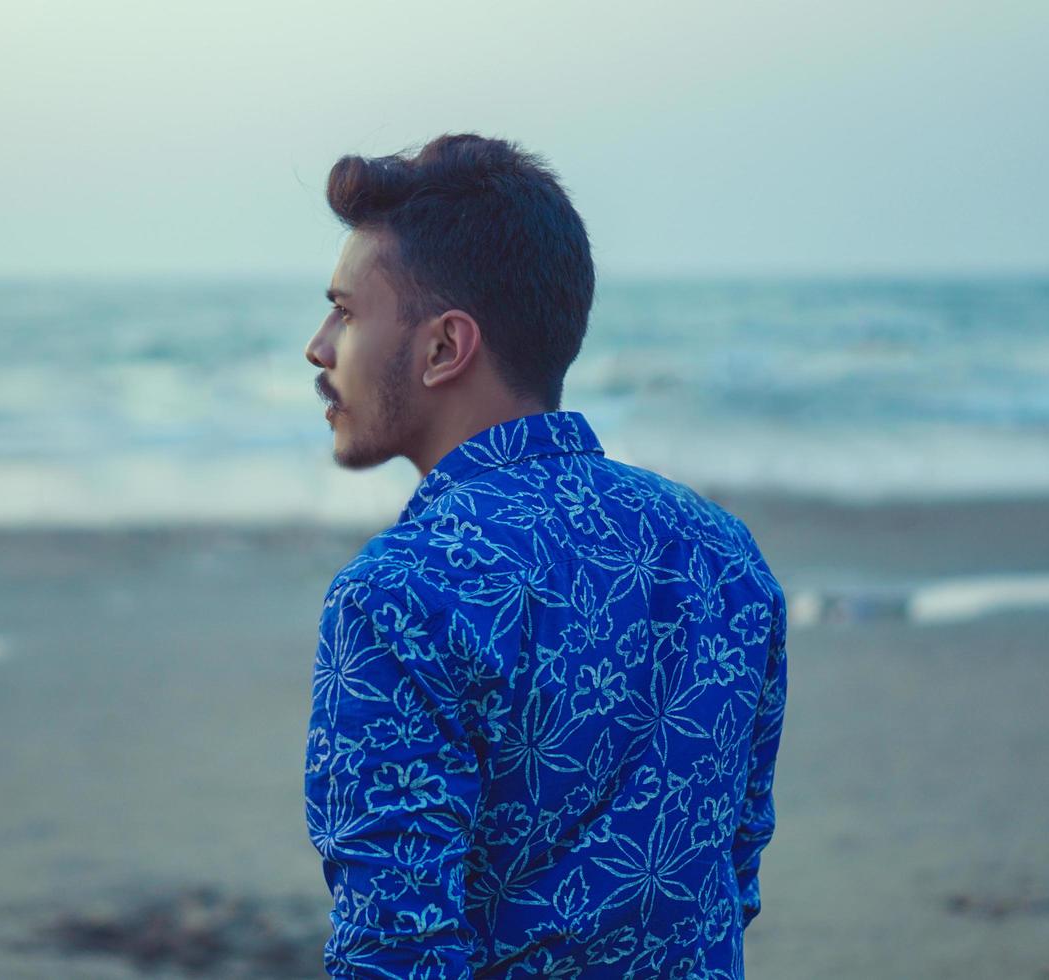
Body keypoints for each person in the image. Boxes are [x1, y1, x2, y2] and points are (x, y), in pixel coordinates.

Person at [302, 133, 787, 979]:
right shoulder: (723, 558)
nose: (318, 346)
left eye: (345, 311)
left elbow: (395, 948)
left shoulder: (398, 596)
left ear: (445, 348)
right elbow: (732, 872)